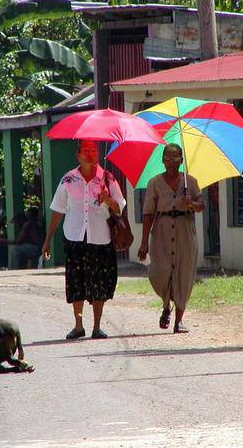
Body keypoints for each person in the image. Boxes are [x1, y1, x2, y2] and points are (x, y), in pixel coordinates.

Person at [42, 140, 126, 340]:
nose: (90, 154)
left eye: (94, 151)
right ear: (78, 155)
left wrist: (107, 199)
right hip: (74, 236)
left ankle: (97, 326)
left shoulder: (108, 178)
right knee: (75, 281)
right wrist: (47, 240)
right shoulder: (68, 180)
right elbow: (57, 210)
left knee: (99, 282)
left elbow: (119, 207)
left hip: (101, 237)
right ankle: (78, 325)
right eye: (86, 151)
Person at [138, 143, 205, 333]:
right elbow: (148, 213)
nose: (171, 161)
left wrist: (190, 203)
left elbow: (202, 205)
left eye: (175, 157)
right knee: (160, 273)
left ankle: (179, 321)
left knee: (184, 274)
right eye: (167, 157)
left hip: (185, 233)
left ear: (182, 160)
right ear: (162, 160)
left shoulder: (190, 182)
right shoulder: (154, 183)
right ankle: (166, 305)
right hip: (161, 234)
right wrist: (143, 243)